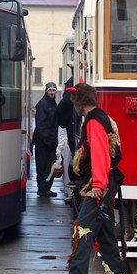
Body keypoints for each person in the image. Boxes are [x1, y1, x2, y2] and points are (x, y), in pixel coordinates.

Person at [53, 83, 127, 274]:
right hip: (105, 182)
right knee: (105, 232)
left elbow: (100, 154)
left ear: (79, 102)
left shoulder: (93, 122)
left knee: (83, 228)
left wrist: (98, 185)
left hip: (96, 185)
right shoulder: (103, 117)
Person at [33, 82, 59, 197]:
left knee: (48, 166)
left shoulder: (52, 103)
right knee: (43, 165)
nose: (52, 92)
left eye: (54, 90)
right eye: (50, 90)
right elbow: (41, 124)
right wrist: (48, 139)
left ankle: (45, 188)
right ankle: (43, 189)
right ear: (46, 91)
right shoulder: (43, 104)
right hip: (44, 142)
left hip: (49, 141)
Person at [56, 74, 78, 203]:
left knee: (70, 159)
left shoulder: (70, 83)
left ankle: (71, 190)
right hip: (70, 129)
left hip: (70, 129)